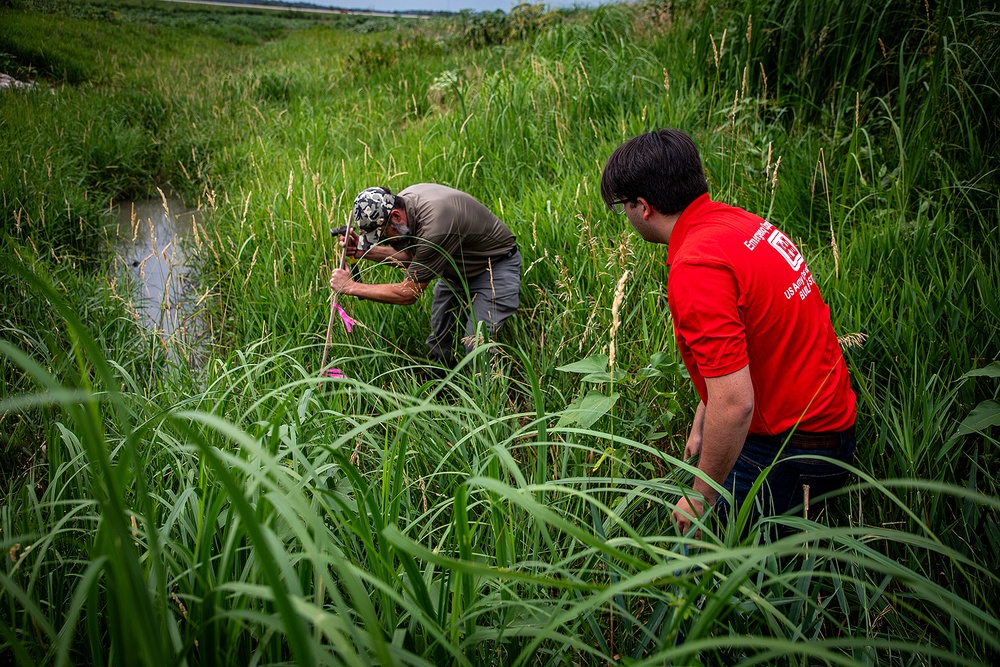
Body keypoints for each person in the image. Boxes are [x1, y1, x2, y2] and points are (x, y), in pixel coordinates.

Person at [600, 129, 857, 536]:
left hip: (797, 448)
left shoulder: (697, 267)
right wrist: (704, 413)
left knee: (698, 564)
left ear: (643, 207)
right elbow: (746, 343)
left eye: (622, 207)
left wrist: (701, 495)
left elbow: (735, 405)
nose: (626, 216)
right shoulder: (737, 224)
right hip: (824, 420)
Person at [329, 184, 521, 367]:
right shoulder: (404, 205)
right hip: (455, 270)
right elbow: (412, 256)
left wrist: (350, 287)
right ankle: (439, 384)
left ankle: (489, 395)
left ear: (395, 216)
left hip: (495, 269)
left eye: (383, 236)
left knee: (477, 344)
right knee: (440, 338)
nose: (385, 242)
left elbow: (408, 293)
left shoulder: (436, 226)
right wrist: (363, 252)